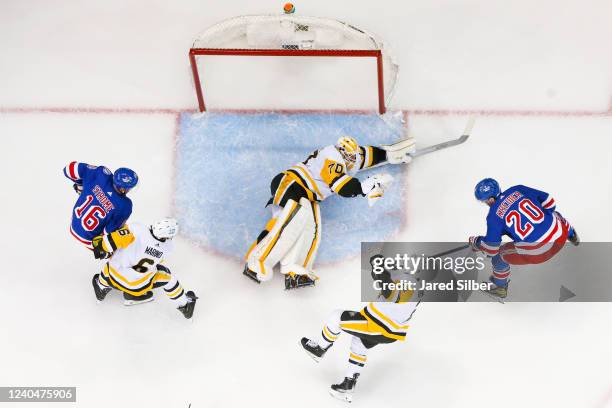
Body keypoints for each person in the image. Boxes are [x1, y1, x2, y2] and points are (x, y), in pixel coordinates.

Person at [243, 135, 415, 290]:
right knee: (292, 221)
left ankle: (295, 270)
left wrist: (388, 155)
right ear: (339, 150)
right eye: (346, 156)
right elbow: (342, 186)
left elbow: (367, 155)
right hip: (292, 184)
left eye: (352, 157)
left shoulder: (352, 156)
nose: (349, 160)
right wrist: (363, 188)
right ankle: (257, 261)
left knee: (312, 229)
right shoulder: (331, 157)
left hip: (308, 195)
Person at [300, 255, 418, 403]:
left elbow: (389, 290)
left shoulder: (408, 281)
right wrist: (379, 267)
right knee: (359, 343)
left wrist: (378, 265)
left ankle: (319, 349)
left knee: (336, 317)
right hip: (390, 332)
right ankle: (348, 385)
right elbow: (387, 285)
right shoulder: (417, 287)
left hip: (377, 326)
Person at [469, 178, 579, 299]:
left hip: (539, 252)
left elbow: (490, 250)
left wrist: (477, 242)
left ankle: (499, 287)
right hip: (560, 235)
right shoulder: (518, 189)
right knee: (554, 215)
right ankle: (572, 234)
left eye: (484, 201)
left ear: (490, 200)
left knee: (498, 256)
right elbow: (550, 203)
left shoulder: (493, 216)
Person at [91, 218, 197, 319]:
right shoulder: (168, 248)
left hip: (113, 278)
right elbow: (156, 259)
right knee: (169, 278)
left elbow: (109, 242)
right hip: (137, 286)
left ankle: (101, 288)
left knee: (113, 261)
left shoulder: (137, 228)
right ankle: (184, 306)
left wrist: (100, 244)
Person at [63, 161, 137, 250]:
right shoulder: (125, 206)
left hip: (74, 224)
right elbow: (108, 232)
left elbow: (69, 169)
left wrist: (80, 186)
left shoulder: (101, 174)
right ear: (123, 189)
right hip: (89, 241)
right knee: (126, 233)